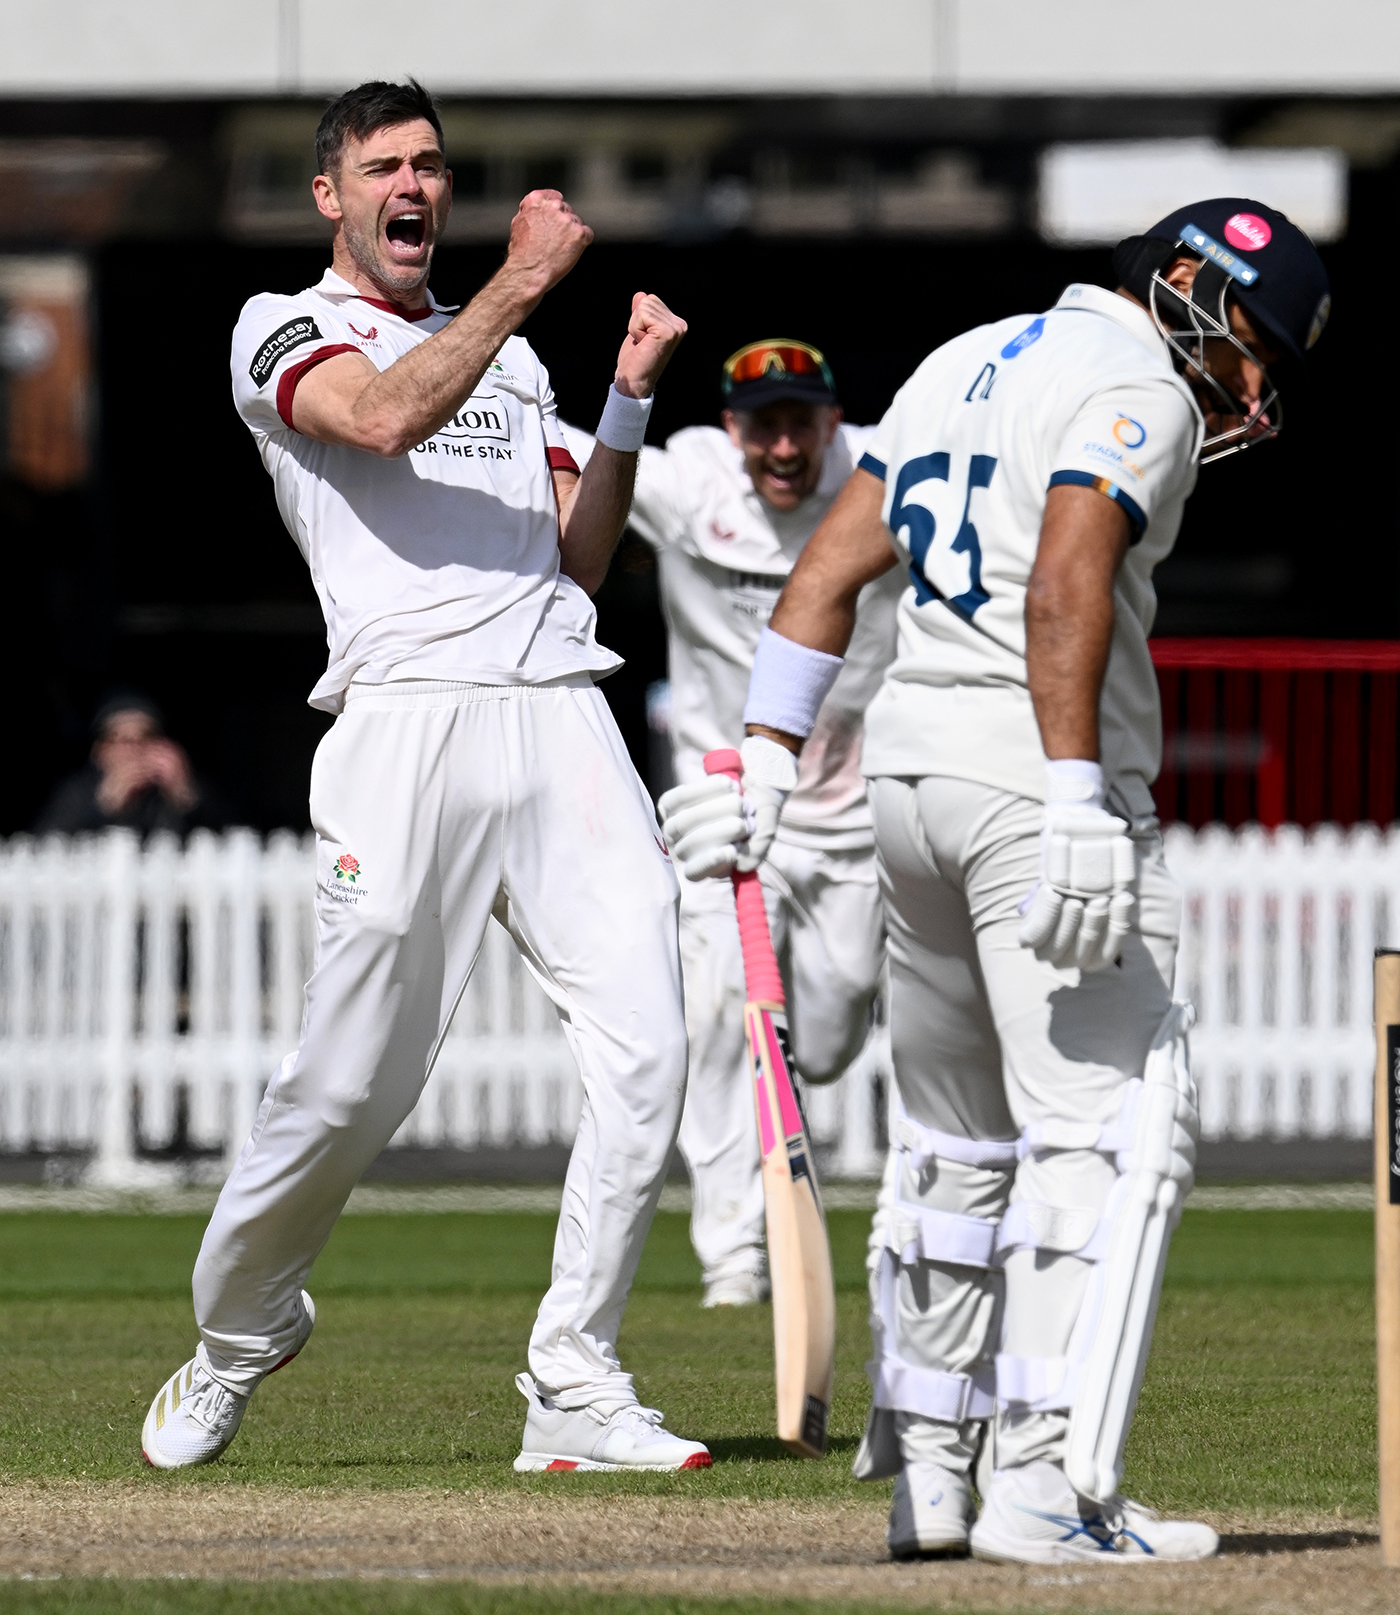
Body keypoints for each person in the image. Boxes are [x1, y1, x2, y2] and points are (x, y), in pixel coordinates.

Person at [664, 199, 1330, 1559]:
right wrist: (1078, 788)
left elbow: (830, 571)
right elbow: (1069, 571)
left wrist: (769, 766)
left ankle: (933, 1469)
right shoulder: (1134, 382)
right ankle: (1046, 1483)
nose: (1253, 387)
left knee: (954, 1145)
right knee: (1111, 1132)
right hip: (1035, 789)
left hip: (909, 784)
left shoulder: (963, 355)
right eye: (1254, 344)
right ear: (1189, 287)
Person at [140, 78, 709, 1476]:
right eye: (386, 165)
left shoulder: (510, 364)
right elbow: (383, 419)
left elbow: (577, 555)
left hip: (559, 709)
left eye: (434, 165)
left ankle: (574, 1377)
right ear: (329, 192)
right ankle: (237, 1333)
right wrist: (519, 281)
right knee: (350, 1084)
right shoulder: (282, 327)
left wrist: (627, 400)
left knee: (651, 1046)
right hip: (402, 724)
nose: (416, 187)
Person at [565, 342, 899, 1307]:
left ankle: (776, 1155)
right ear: (732, 426)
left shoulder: (882, 470)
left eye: (802, 421)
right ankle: (733, 1257)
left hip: (852, 812)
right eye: (764, 424)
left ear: (834, 423)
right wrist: (626, 392)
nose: (783, 445)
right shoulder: (687, 477)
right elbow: (580, 470)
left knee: (825, 1040)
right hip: (725, 807)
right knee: (716, 1020)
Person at [34, 693, 229, 837]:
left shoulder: (179, 790)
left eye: (146, 737)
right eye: (122, 740)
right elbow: (44, 849)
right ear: (100, 751)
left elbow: (236, 839)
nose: (135, 749)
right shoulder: (75, 792)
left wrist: (185, 797)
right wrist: (102, 808)